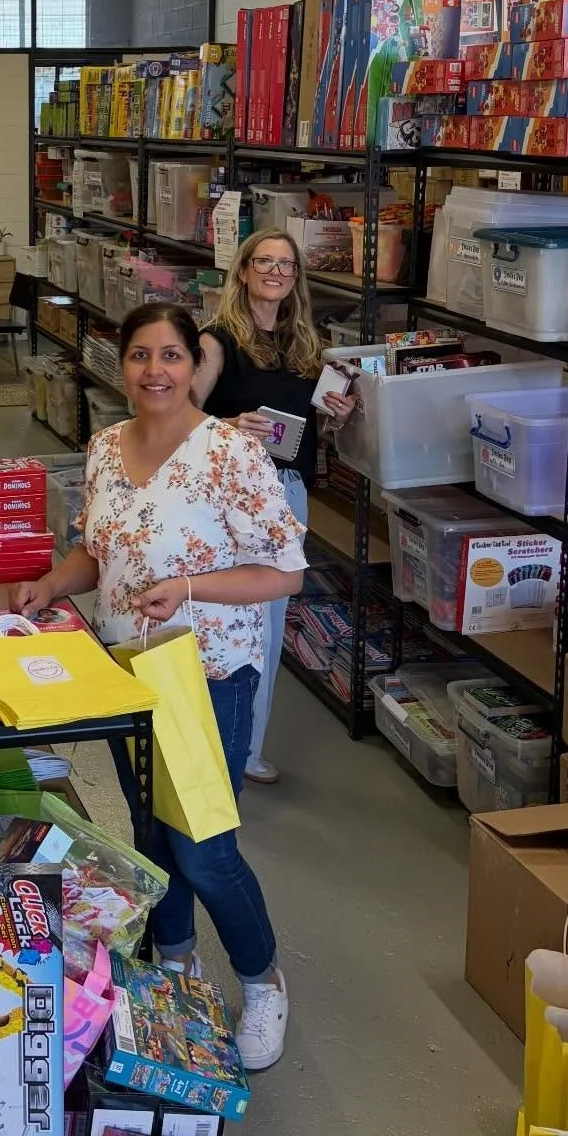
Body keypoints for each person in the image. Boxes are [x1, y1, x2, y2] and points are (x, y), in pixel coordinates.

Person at [11, 303, 306, 1071]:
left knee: (203, 848)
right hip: (126, 671)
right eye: (140, 355)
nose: (154, 372)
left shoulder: (231, 455)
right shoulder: (106, 448)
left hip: (206, 676)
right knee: (149, 835)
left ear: (194, 365)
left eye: (171, 356)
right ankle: (175, 965)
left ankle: (262, 977)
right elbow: (95, 554)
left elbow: (284, 571)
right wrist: (50, 584)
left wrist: (189, 586)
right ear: (123, 363)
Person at [193, 229, 354, 784]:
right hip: (228, 493)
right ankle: (208, 740)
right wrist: (229, 426)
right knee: (221, 616)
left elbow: (316, 426)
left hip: (285, 492)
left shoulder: (307, 347)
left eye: (286, 265)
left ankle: (245, 748)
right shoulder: (217, 341)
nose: (276, 272)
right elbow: (176, 419)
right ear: (242, 271)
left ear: (296, 279)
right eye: (264, 261)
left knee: (267, 622)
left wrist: (337, 411)